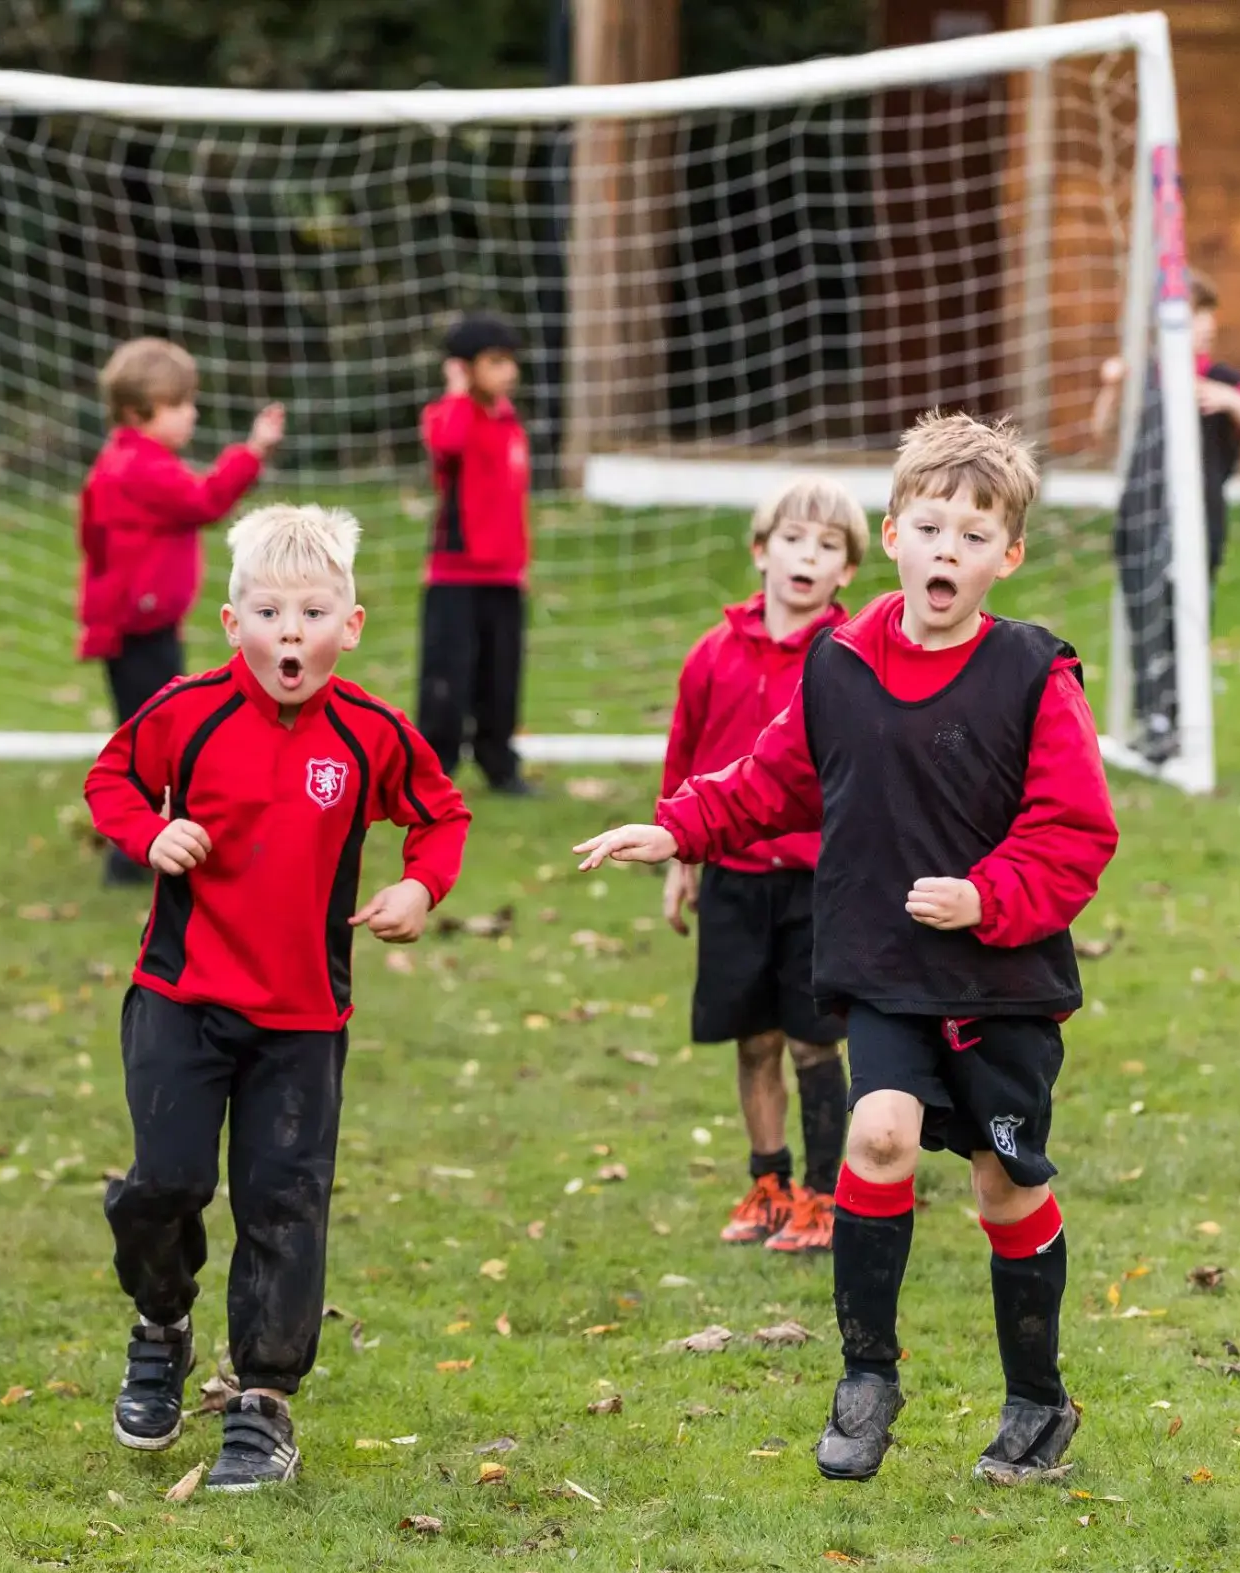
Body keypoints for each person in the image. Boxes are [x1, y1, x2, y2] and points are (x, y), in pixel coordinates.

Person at [573, 412, 1118, 1487]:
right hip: (884, 965)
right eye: (930, 529)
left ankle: (1036, 1400)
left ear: (1006, 556)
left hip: (1000, 973)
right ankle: (866, 1374)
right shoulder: (838, 664)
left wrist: (986, 894)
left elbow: (1076, 830)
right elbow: (774, 777)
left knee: (1001, 1187)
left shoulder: (1030, 674)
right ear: (894, 536)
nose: (947, 552)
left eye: (973, 536)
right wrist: (679, 824)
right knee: (875, 1137)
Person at [83, 504, 469, 1490]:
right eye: (267, 610)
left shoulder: (372, 733)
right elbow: (113, 777)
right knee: (163, 1185)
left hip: (301, 1018)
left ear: (351, 623)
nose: (288, 630)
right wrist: (147, 835)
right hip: (179, 997)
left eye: (311, 610)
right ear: (230, 623)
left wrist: (420, 886)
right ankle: (161, 1322)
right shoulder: (186, 712)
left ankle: (261, 1402)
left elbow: (440, 814)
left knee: (283, 1204)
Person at [660, 477, 863, 1255]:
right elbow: (684, 755)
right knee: (756, 1040)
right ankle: (769, 1182)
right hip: (733, 877)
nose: (806, 556)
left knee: (816, 1041)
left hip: (820, 879)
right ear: (761, 550)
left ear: (846, 570)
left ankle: (824, 1195)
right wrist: (679, 856)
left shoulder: (849, 658)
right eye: (792, 540)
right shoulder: (712, 655)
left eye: (826, 546)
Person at [77, 337, 285, 884]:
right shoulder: (139, 467)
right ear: (136, 413)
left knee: (155, 734)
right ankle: (133, 854)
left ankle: (150, 846)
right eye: (178, 404)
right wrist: (253, 451)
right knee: (153, 740)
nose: (190, 414)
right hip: (138, 627)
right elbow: (205, 501)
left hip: (137, 623)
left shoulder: (125, 461)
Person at [1091, 269, 1240, 761]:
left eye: (1210, 315)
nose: (1207, 325)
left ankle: (1181, 722)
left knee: (1186, 621)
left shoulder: (1223, 379)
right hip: (1140, 519)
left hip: (1200, 524)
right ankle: (1155, 722)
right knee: (1144, 619)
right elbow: (1100, 429)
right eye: (1197, 315)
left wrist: (1229, 400)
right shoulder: (1143, 374)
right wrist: (1111, 386)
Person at [416, 313, 533, 795]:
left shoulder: (509, 423)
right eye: (495, 362)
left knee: (501, 679)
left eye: (510, 362)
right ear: (464, 369)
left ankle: (499, 764)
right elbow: (448, 442)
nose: (508, 372)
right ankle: (432, 774)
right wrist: (458, 392)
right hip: (454, 579)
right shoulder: (447, 415)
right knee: (447, 683)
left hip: (505, 579)